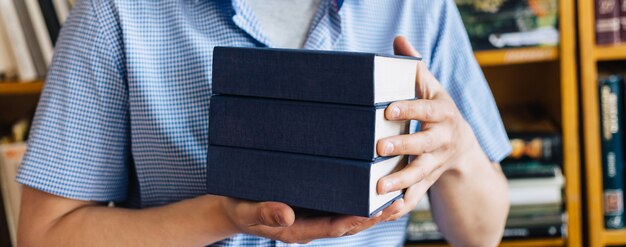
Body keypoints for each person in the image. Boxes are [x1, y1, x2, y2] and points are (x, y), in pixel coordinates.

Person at [16, 0, 511, 246]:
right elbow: (47, 236)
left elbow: (480, 234)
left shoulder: (419, 7)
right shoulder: (116, 12)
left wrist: (458, 149)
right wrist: (222, 216)